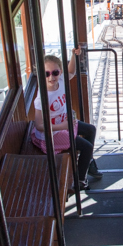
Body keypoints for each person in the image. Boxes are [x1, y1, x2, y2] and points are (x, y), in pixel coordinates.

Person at [32, 51, 102, 190]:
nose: (51, 77)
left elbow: (71, 71)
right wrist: (63, 126)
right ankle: (81, 181)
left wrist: (74, 55)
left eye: (55, 72)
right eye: (46, 74)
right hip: (52, 135)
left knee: (91, 130)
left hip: (65, 124)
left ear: (60, 72)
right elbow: (39, 125)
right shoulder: (43, 98)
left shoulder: (61, 80)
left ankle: (88, 162)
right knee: (86, 147)